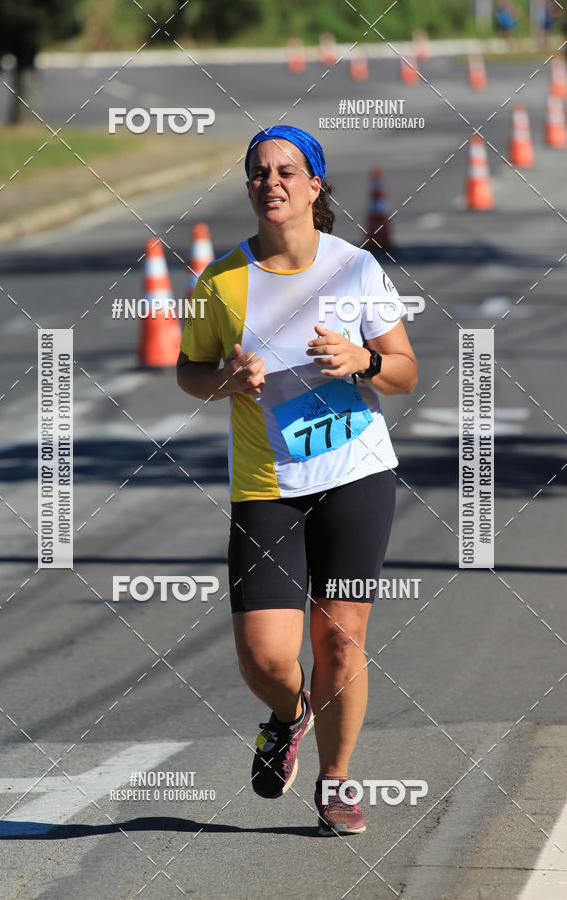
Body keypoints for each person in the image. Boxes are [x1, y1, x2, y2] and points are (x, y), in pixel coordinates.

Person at [176, 125, 417, 836]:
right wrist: (224, 378)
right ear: (249, 187)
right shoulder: (219, 281)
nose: (271, 182)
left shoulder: (358, 270)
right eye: (258, 172)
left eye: (287, 170)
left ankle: (337, 782)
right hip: (266, 481)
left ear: (316, 185)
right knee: (266, 655)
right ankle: (291, 715)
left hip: (355, 473)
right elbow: (190, 372)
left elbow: (404, 370)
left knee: (340, 640)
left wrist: (361, 362)